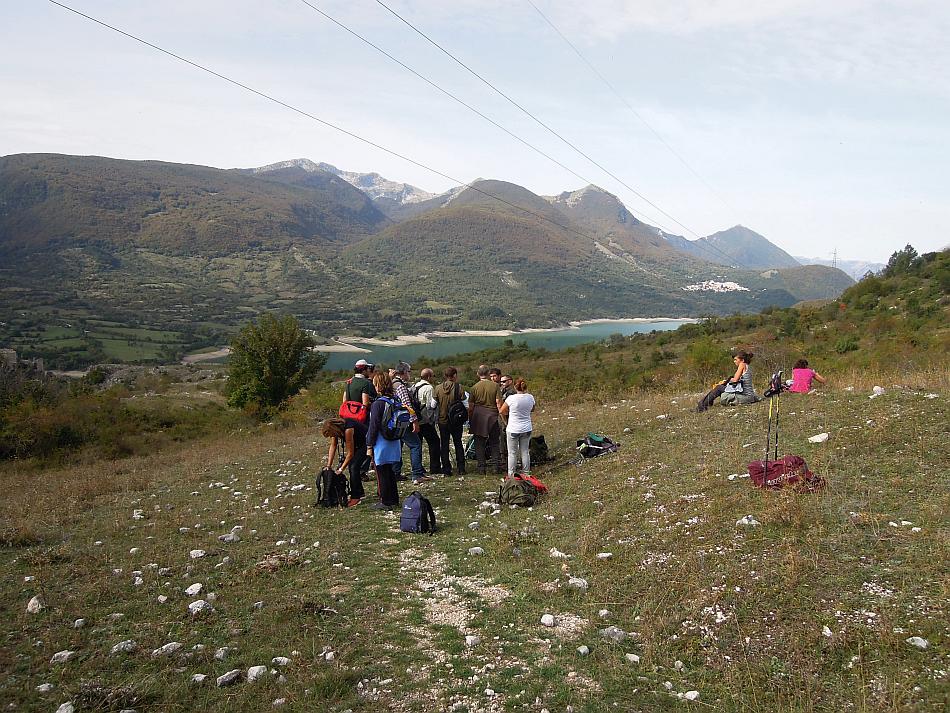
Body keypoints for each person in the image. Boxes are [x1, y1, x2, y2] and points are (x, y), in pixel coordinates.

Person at [366, 372, 402, 510]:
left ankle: (385, 501)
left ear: (378, 385)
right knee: (390, 472)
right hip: (394, 440)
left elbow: (373, 426)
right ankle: (394, 499)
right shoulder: (396, 400)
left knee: (381, 472)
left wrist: (369, 444)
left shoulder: (378, 404)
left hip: (381, 442)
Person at [391, 361, 428, 484]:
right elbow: (407, 406)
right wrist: (415, 422)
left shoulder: (391, 384)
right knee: (415, 444)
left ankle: (395, 473)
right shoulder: (400, 386)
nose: (410, 374)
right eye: (409, 371)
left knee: (398, 446)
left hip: (394, 421)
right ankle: (417, 474)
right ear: (404, 372)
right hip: (403, 421)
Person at [321, 417, 365, 507]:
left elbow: (350, 453)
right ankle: (360, 492)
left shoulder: (348, 429)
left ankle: (356, 497)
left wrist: (341, 469)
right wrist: (328, 465)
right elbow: (333, 446)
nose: (331, 437)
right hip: (357, 444)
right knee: (352, 467)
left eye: (331, 434)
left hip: (365, 443)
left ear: (334, 430)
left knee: (353, 467)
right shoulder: (336, 431)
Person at [468, 365, 504, 474]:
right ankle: (496, 467)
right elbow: (498, 402)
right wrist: (502, 416)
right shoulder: (494, 386)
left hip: (478, 416)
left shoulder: (474, 388)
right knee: (494, 442)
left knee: (479, 443)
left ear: (478, 374)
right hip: (492, 415)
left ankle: (481, 468)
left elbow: (470, 406)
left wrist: (471, 419)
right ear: (488, 374)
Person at [433, 366, 467, 476]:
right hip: (456, 421)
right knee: (458, 443)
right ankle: (461, 468)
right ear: (455, 375)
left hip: (443, 421)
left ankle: (447, 469)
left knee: (444, 444)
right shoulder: (459, 387)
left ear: (445, 376)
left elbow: (432, 405)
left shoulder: (437, 388)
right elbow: (466, 404)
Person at [499, 378, 535, 476]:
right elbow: (532, 409)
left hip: (513, 428)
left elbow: (502, 411)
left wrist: (507, 419)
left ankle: (511, 474)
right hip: (526, 427)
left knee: (512, 453)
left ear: (515, 387)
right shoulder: (530, 397)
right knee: (525, 451)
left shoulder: (511, 398)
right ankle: (526, 473)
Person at [412, 368, 444, 475]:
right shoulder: (429, 388)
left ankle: (418, 467)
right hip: (425, 419)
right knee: (434, 442)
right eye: (433, 376)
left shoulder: (415, 386)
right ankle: (435, 467)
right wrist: (432, 420)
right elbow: (430, 406)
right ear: (429, 376)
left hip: (416, 419)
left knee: (418, 444)